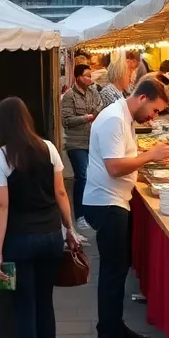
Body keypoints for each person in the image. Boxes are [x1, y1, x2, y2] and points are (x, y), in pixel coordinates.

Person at [82, 78, 169, 338]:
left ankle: (112, 327)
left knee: (118, 270)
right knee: (113, 272)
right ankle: (111, 337)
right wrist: (151, 155)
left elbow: (122, 157)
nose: (153, 117)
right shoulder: (114, 119)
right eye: (155, 110)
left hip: (114, 200)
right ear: (143, 98)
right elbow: (114, 167)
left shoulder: (124, 117)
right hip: (107, 203)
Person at [0, 96, 79, 338]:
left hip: (20, 240)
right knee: (44, 303)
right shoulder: (48, 148)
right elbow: (60, 192)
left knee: (23, 308)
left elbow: (1, 206)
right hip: (51, 235)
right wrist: (69, 228)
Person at [61, 63, 102, 230]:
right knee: (83, 176)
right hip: (75, 143)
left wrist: (95, 114)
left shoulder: (93, 92)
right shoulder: (69, 96)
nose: (89, 79)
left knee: (93, 177)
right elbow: (66, 121)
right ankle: (79, 216)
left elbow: (99, 106)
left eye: (90, 76)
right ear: (78, 77)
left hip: (92, 141)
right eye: (86, 76)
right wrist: (87, 117)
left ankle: (90, 213)